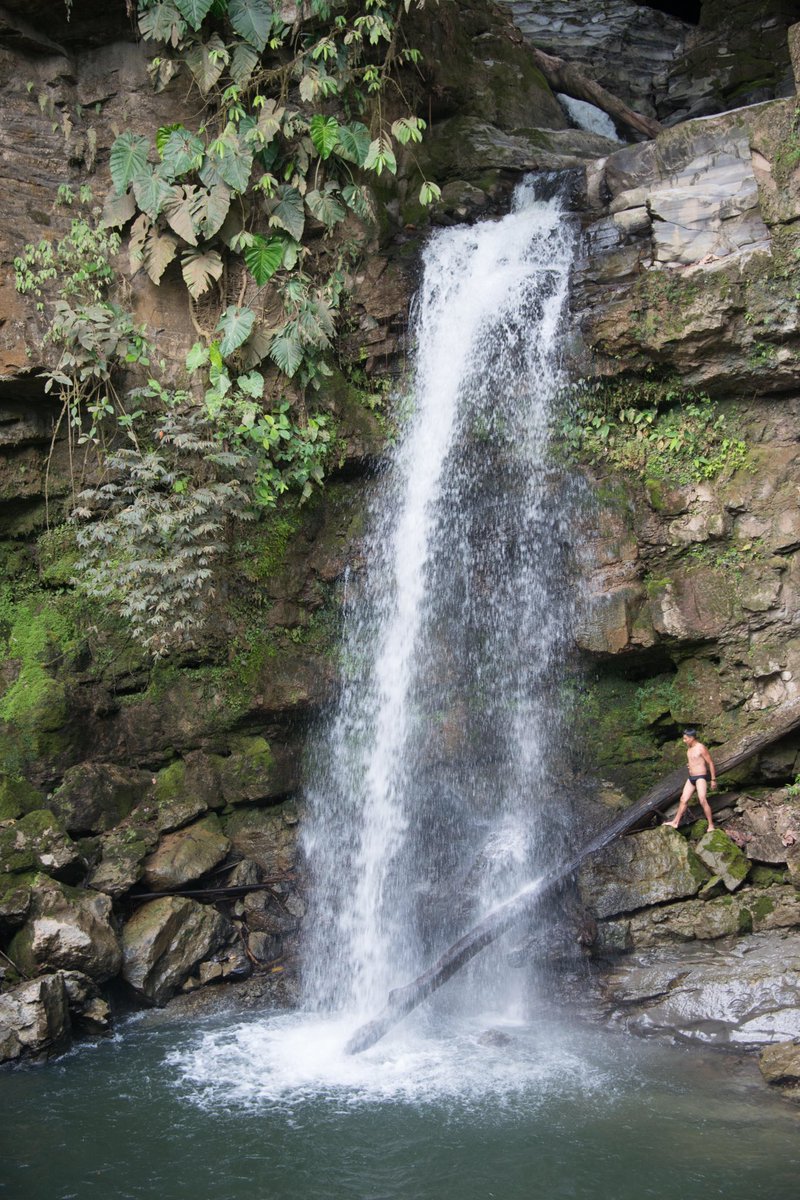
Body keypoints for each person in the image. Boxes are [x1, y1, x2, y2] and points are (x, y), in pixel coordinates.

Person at [663, 727, 717, 831]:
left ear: (692, 738)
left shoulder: (701, 747)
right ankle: (675, 822)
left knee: (702, 800)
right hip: (691, 778)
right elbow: (694, 761)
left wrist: (713, 780)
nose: (684, 741)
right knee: (683, 799)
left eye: (685, 739)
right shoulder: (689, 748)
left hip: (700, 777)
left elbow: (710, 762)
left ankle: (711, 825)